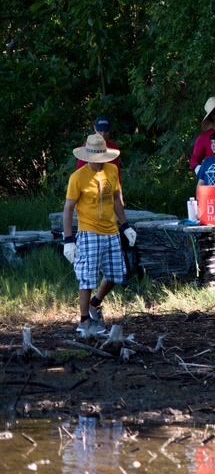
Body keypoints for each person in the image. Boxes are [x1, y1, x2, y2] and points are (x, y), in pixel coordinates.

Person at [62, 135, 137, 336]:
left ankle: (95, 304)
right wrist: (68, 240)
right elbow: (68, 209)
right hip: (89, 231)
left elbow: (115, 200)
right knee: (87, 278)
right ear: (88, 156)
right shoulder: (77, 177)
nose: (100, 161)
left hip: (111, 230)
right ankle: (84, 320)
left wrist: (125, 225)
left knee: (115, 274)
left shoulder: (112, 171)